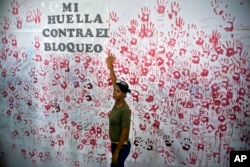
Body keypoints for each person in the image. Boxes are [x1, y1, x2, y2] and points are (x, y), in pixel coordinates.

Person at [106, 53, 131, 167]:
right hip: (115, 144)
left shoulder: (124, 110)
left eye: (118, 91)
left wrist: (116, 152)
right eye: (115, 90)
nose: (115, 92)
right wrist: (111, 67)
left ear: (124, 94)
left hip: (122, 146)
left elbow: (124, 133)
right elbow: (114, 81)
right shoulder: (117, 103)